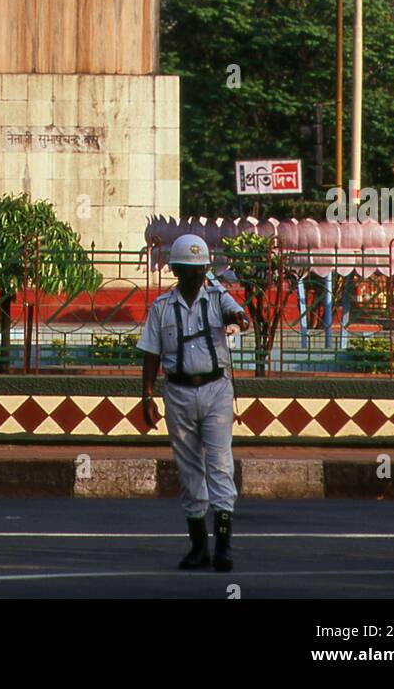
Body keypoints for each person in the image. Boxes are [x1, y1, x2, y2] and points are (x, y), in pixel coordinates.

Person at [138, 233, 250, 571]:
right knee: (189, 471)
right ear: (176, 271)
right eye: (189, 271)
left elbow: (238, 314)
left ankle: (224, 547)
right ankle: (199, 546)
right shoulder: (162, 308)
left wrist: (238, 321)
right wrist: (147, 395)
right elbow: (151, 354)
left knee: (220, 466)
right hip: (178, 392)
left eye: (201, 271)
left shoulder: (217, 298)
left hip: (216, 390)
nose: (196, 277)